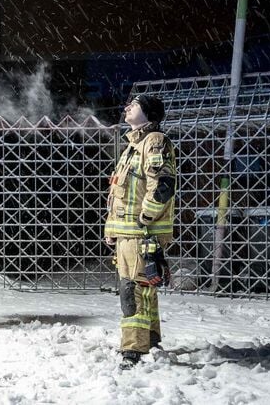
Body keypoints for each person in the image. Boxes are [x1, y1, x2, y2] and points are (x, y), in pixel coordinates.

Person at [104, 94, 177, 370]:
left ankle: (133, 349)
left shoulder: (154, 141)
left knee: (132, 289)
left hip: (141, 233)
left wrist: (146, 217)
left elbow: (162, 185)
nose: (126, 108)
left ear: (148, 114)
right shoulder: (131, 148)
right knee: (143, 287)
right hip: (128, 233)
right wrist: (111, 228)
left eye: (133, 105)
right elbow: (119, 194)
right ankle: (151, 338)